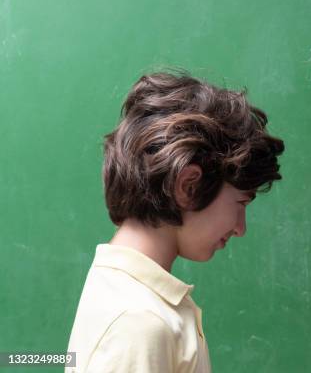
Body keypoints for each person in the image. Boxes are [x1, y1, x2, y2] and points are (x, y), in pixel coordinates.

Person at [66, 71, 284, 372]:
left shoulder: (135, 301)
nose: (240, 228)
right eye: (241, 203)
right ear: (188, 186)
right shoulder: (139, 322)